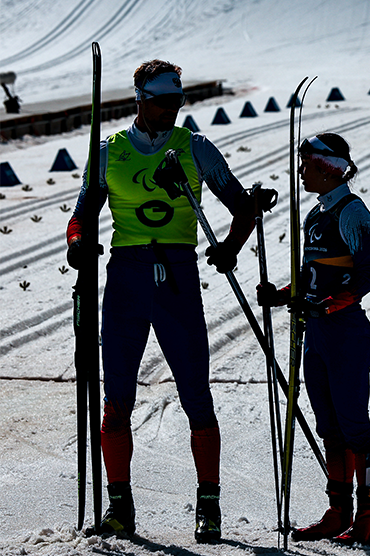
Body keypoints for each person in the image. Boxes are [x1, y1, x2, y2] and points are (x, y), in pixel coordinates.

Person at [65, 59, 258, 543]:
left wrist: (229, 248)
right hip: (125, 280)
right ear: (140, 99)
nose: (171, 110)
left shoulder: (194, 147)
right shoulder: (107, 152)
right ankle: (120, 506)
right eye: (161, 102)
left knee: (197, 395)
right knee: (117, 402)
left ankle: (209, 506)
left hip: (177, 278)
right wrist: (77, 244)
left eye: (177, 101)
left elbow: (243, 209)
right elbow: (81, 214)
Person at [256, 133, 370, 545]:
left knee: (355, 429)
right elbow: (310, 277)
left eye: (307, 165)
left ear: (330, 167)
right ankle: (337, 511)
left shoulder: (352, 212)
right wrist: (282, 294)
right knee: (329, 427)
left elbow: (367, 275)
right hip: (315, 335)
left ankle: (368, 515)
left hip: (345, 334)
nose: (301, 172)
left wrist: (336, 302)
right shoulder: (315, 216)